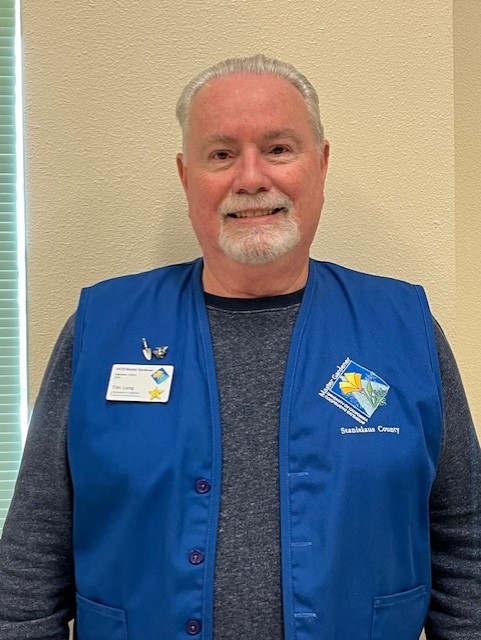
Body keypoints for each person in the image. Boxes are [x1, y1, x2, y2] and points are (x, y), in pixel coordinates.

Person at [0, 54, 479, 640]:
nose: (251, 178)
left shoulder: (403, 329)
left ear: (322, 165)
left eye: (278, 149)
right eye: (221, 154)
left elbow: (465, 539)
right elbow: (31, 556)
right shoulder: (102, 329)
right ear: (185, 175)